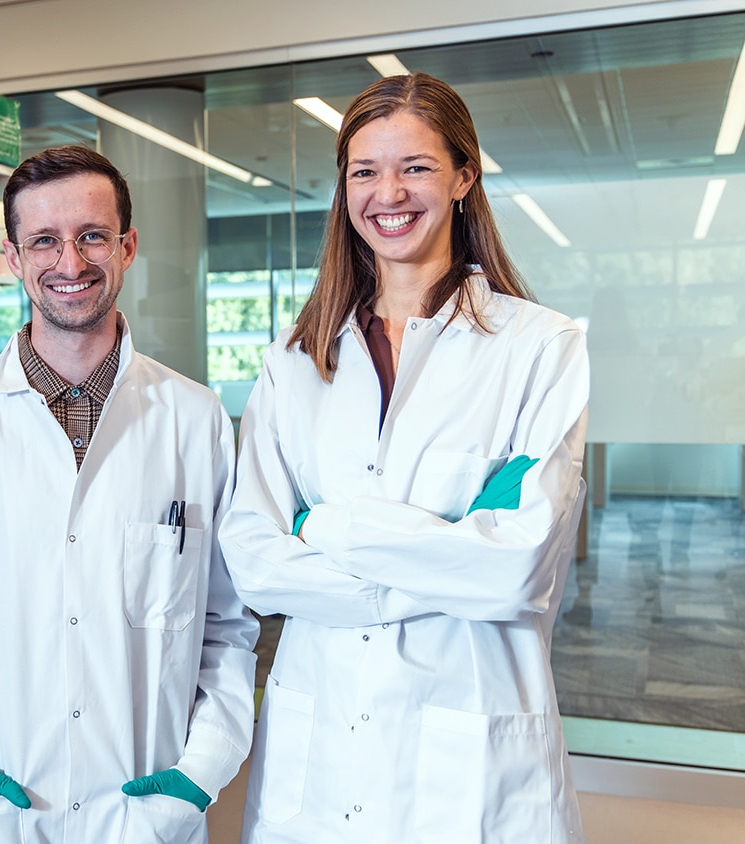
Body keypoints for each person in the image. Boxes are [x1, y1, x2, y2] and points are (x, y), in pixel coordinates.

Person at [220, 72, 588, 842]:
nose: (388, 192)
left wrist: (320, 529)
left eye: (415, 167)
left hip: (472, 757)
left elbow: (516, 566)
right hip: (317, 755)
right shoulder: (295, 361)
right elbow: (254, 562)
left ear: (463, 175)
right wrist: (449, 551)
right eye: (365, 171)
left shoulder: (538, 348)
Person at [0, 145, 259, 842]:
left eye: (92, 237)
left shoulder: (196, 420)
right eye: (44, 241)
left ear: (127, 246)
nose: (70, 264)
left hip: (148, 810)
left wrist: (200, 773)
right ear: (12, 258)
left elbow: (229, 626)